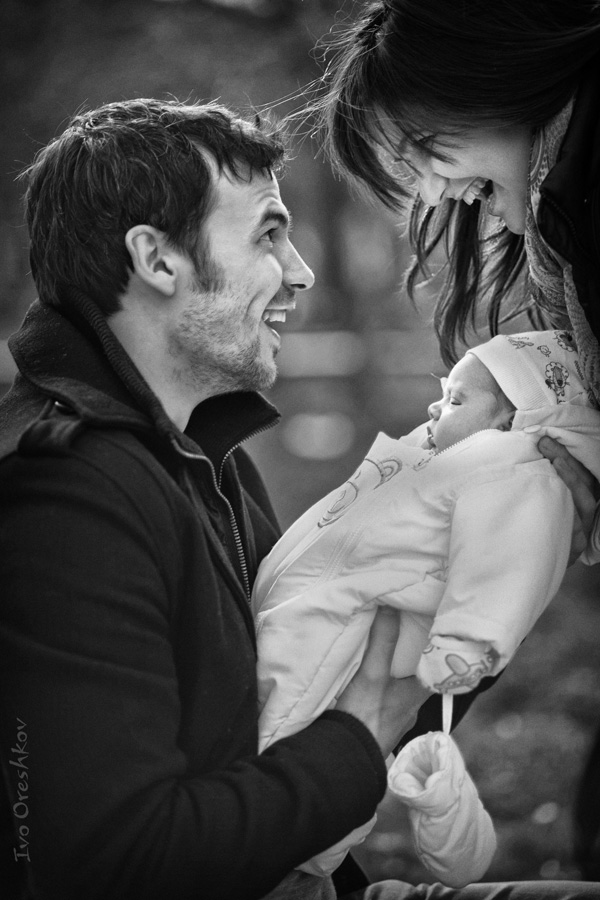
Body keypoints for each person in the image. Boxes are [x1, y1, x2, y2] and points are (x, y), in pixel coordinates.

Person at [0, 97, 598, 900]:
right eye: (268, 235)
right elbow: (118, 865)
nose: (301, 271)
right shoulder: (66, 501)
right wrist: (363, 731)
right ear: (158, 260)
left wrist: (483, 571)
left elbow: (319, 702)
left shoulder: (199, 450)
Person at [315, 0, 600, 885]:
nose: (437, 191)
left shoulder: (585, 190)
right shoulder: (566, 212)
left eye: (430, 149)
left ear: (492, 81)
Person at [253, 328, 600, 886]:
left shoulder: (519, 470)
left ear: (514, 424)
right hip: (336, 613)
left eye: (456, 400)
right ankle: (290, 838)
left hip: (354, 627)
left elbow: (502, 566)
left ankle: (297, 851)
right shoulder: (462, 462)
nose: (435, 408)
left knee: (288, 722)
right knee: (290, 721)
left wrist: (467, 644)